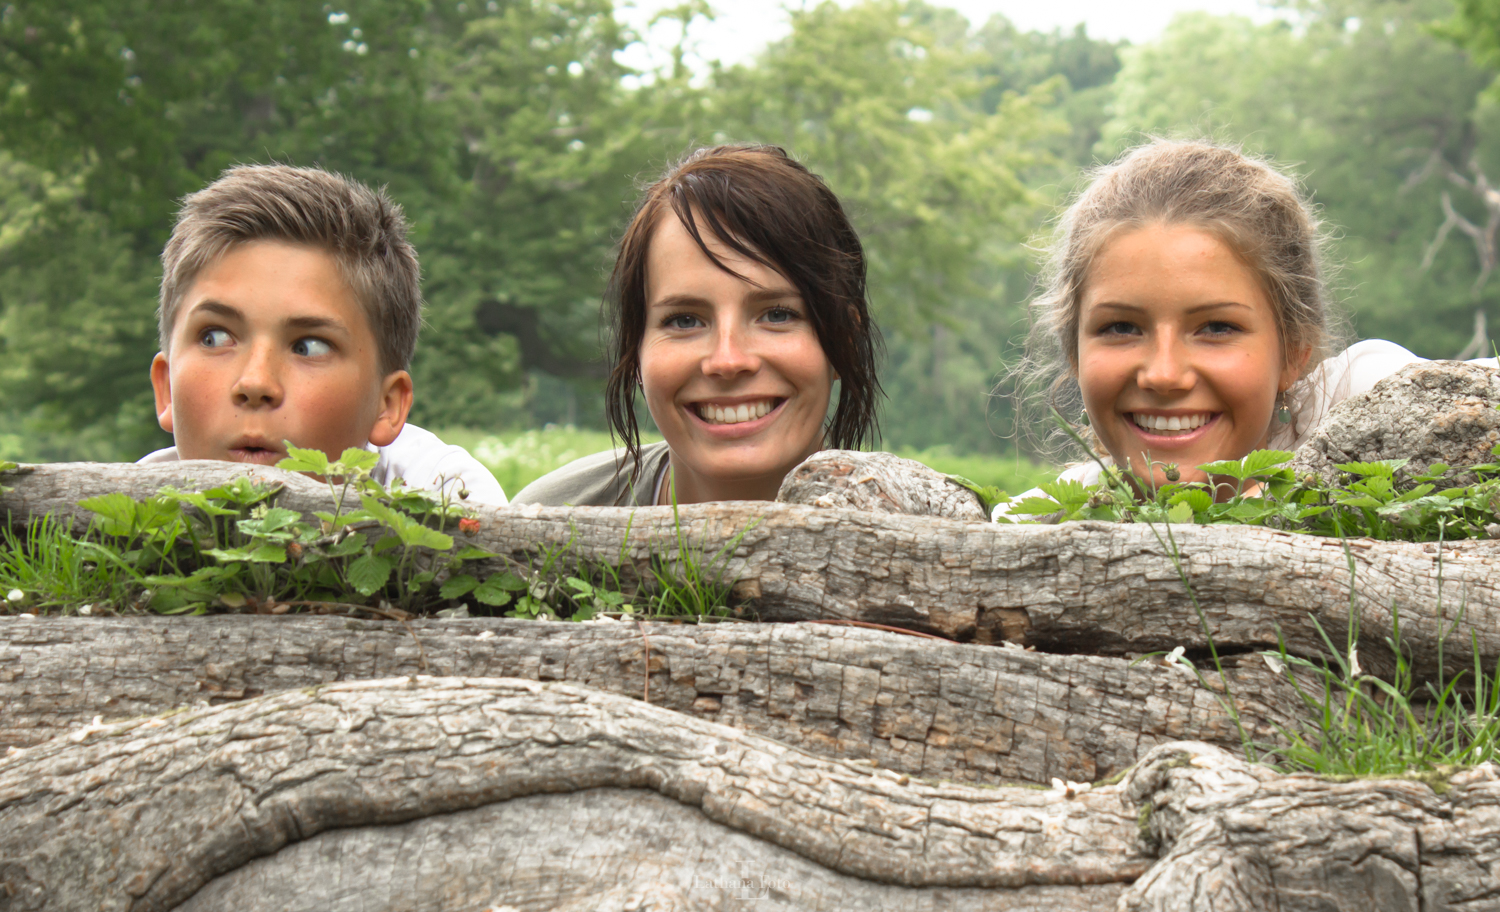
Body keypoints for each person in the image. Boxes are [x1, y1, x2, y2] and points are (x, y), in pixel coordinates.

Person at [1003, 139, 1498, 517]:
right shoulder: (1042, 521)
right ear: (1074, 353)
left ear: (1295, 352)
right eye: (1120, 328)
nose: (1164, 374)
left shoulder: (1367, 402)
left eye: (1216, 327)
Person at [512, 144, 882, 506]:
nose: (727, 360)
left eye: (777, 314)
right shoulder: (552, 519)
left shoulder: (933, 533)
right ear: (635, 350)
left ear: (844, 341)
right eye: (685, 320)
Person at [140, 164, 508, 506]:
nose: (255, 383)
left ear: (388, 404)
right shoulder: (119, 518)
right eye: (215, 338)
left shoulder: (451, 498)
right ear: (165, 387)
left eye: (308, 347)